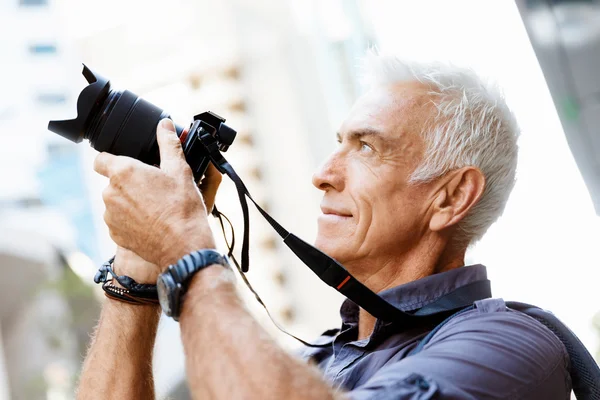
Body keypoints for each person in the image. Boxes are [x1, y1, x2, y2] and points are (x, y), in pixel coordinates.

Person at [78, 54, 571, 399]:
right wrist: (138, 268)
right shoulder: (311, 366)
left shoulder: (512, 346)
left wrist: (185, 243)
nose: (322, 173)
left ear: (451, 197)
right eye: (338, 142)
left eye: (367, 147)